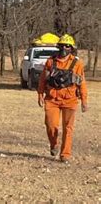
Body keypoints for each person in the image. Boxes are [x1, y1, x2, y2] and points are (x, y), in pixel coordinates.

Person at [37, 34, 88, 164]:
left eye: (67, 46)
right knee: (51, 125)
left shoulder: (77, 64)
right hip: (52, 99)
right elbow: (43, 79)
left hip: (70, 100)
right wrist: (40, 94)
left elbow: (82, 83)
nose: (64, 48)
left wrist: (84, 100)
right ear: (58, 46)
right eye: (61, 45)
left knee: (68, 128)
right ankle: (54, 144)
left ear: (71, 48)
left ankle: (65, 154)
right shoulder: (50, 61)